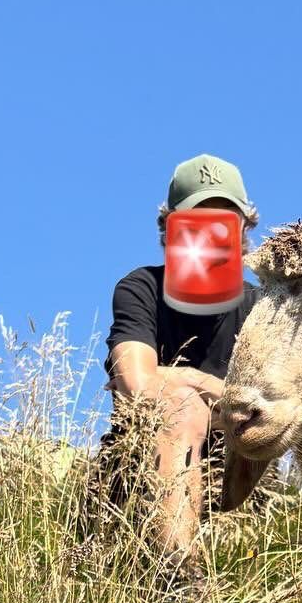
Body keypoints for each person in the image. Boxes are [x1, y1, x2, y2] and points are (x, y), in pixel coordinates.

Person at [104, 154, 260, 559]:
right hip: (136, 479)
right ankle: (178, 573)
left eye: (224, 220)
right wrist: (215, 395)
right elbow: (139, 386)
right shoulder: (142, 289)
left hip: (241, 481)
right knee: (181, 406)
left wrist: (178, 377)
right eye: (198, 219)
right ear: (171, 226)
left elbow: (267, 408)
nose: (211, 233)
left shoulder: (262, 309)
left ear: (243, 228)